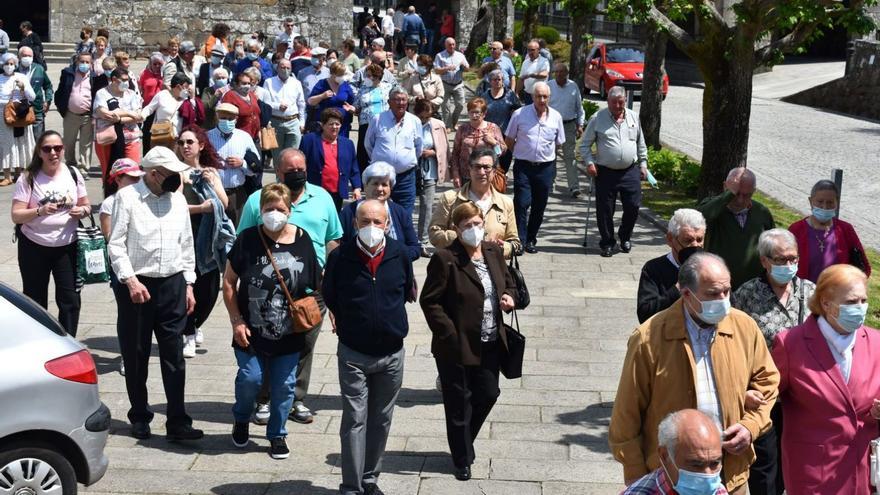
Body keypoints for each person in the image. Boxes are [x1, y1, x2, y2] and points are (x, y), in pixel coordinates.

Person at [609, 252, 780, 495]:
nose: (722, 300)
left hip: (730, 474)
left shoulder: (744, 327)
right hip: (673, 477)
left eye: (726, 291)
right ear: (686, 294)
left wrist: (750, 426)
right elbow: (625, 419)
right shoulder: (649, 339)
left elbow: (768, 381)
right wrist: (640, 478)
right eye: (712, 294)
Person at [237, 149, 343, 425]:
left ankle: (295, 398)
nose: (297, 173)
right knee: (265, 345)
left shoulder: (322, 199)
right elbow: (242, 243)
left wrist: (334, 284)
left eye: (301, 168)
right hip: (265, 292)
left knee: (304, 344)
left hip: (310, 291)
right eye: (290, 170)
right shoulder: (255, 201)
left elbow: (333, 241)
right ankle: (263, 399)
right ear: (279, 173)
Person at [107, 146, 203, 442]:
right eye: (171, 174)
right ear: (152, 173)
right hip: (138, 286)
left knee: (174, 354)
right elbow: (116, 244)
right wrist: (130, 281)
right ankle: (139, 415)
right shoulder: (127, 198)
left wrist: (188, 284)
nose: (176, 179)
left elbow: (187, 243)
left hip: (172, 283)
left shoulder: (177, 200)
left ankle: (177, 420)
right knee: (136, 354)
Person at [324, 198, 416, 495]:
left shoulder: (399, 253)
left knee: (382, 418)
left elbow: (404, 291)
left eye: (378, 222)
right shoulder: (341, 257)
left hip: (391, 353)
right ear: (355, 224)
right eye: (365, 221)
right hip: (354, 354)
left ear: (387, 224)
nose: (372, 227)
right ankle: (351, 486)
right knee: (355, 419)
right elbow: (331, 295)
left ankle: (370, 479)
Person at [421, 201, 517, 481]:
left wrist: (509, 296)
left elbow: (508, 281)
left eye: (477, 224)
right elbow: (430, 302)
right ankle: (462, 458)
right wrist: (449, 333)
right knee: (458, 403)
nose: (474, 230)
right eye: (467, 226)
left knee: (488, 393)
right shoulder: (445, 258)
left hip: (490, 339)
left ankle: (462, 442)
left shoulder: (493, 251)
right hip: (456, 344)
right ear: (456, 229)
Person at [223, 182, 320, 458]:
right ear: (260, 210)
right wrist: (236, 321)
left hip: (288, 333)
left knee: (284, 385)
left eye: (280, 208)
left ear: (290, 211)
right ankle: (242, 417)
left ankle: (277, 434)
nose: (274, 213)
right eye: (268, 208)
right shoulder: (247, 239)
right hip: (250, 330)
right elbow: (229, 283)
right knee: (250, 379)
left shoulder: (303, 240)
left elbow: (314, 283)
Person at [772, 263, 880, 494]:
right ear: (826, 303)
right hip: (815, 474)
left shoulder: (876, 341)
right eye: (851, 302)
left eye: (863, 300)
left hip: (863, 471)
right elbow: (765, 398)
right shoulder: (791, 344)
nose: (860, 308)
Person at [731, 228, 814, 495]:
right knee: (765, 469)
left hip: (803, 397)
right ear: (764, 261)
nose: (788, 265)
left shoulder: (810, 292)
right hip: (764, 398)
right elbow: (733, 346)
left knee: (797, 464)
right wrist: (742, 391)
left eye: (793, 258)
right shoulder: (746, 295)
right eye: (780, 260)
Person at [11, 130, 89, 335]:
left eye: (58, 148)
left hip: (67, 246)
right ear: (39, 152)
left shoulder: (73, 173)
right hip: (34, 246)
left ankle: (68, 342)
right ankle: (39, 340)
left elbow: (86, 205)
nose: (53, 152)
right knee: (35, 301)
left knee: (70, 300)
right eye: (47, 149)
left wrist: (82, 211)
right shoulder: (28, 178)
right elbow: (16, 215)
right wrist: (40, 211)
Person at [175, 126, 232, 358]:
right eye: (181, 142)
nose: (185, 146)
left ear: (201, 145)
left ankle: (195, 324)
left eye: (190, 142)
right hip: (185, 235)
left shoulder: (210, 171)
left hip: (208, 238)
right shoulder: (176, 172)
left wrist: (213, 183)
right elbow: (175, 206)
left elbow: (224, 203)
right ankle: (187, 334)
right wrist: (200, 208)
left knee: (209, 292)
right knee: (188, 288)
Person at [579, 86, 649, 257]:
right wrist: (589, 162)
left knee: (633, 205)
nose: (618, 106)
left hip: (629, 170)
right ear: (608, 101)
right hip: (605, 171)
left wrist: (644, 163)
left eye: (621, 102)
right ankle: (607, 242)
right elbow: (584, 144)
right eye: (614, 102)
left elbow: (641, 143)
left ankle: (625, 236)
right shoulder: (598, 118)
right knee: (605, 210)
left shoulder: (633, 116)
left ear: (625, 100)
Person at [504, 82, 564, 254]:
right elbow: (509, 140)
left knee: (539, 205)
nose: (542, 100)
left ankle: (531, 239)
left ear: (549, 97)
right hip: (523, 166)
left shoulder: (556, 117)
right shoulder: (519, 114)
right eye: (538, 96)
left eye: (545, 96)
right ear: (532, 96)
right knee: (521, 203)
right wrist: (522, 152)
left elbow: (558, 143)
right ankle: (520, 240)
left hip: (545, 168)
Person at [430, 146, 520, 259]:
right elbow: (434, 234)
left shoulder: (506, 203)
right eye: (477, 167)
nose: (481, 172)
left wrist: (503, 248)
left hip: (493, 268)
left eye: (486, 167)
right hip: (458, 266)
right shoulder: (450, 198)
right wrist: (459, 237)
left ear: (494, 171)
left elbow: (515, 243)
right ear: (469, 169)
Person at [697, 167, 775, 290]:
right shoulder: (713, 207)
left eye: (746, 195)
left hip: (755, 289)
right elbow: (699, 218)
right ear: (725, 187)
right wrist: (728, 195)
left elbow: (772, 247)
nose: (740, 200)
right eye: (736, 193)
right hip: (718, 287)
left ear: (753, 192)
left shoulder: (761, 212)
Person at [622, 409, 729, 495]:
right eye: (696, 465)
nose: (708, 476)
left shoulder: (718, 491)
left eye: (714, 463)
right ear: (664, 456)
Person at [789, 179, 871, 282]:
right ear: (811, 201)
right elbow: (785, 264)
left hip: (837, 295)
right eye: (820, 202)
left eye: (830, 203)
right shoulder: (796, 230)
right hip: (803, 295)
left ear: (837, 203)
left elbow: (863, 267)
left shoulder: (845, 229)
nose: (825, 207)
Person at [339, 162, 420, 262]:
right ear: (365, 185)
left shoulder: (399, 212)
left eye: (384, 184)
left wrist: (397, 259)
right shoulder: (349, 212)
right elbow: (339, 246)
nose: (380, 189)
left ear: (390, 188)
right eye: (375, 183)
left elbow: (414, 247)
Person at [637, 208, 706, 323]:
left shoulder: (714, 267)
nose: (695, 246)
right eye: (688, 240)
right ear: (670, 239)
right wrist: (678, 289)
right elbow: (645, 314)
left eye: (699, 240)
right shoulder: (653, 268)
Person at [364, 87, 422, 218]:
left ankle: (401, 238)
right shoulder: (378, 119)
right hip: (380, 176)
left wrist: (406, 161)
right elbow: (368, 144)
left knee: (405, 214)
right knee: (376, 211)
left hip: (406, 177)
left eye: (403, 100)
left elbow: (418, 147)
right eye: (396, 100)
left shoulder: (414, 121)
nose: (400, 103)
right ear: (389, 102)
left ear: (407, 102)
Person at [208, 102, 260, 225]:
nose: (227, 122)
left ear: (236, 119)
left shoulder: (244, 137)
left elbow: (256, 167)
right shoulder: (207, 137)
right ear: (217, 117)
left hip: (237, 195)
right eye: (223, 118)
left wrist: (242, 164)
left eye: (230, 119)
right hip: (213, 193)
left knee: (238, 229)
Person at [300, 108, 362, 210]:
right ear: (323, 125)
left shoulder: (348, 144)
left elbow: (353, 168)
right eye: (331, 124)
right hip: (315, 190)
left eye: (337, 124)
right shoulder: (309, 140)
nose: (334, 127)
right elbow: (300, 164)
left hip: (337, 192)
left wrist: (357, 188)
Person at [93, 68, 143, 182]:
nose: (127, 83)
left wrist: (119, 119)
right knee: (109, 174)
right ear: (114, 79)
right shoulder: (102, 93)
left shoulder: (131, 94)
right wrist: (129, 113)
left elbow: (139, 117)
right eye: (124, 80)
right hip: (108, 139)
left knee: (132, 173)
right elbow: (104, 113)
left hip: (130, 138)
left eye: (128, 80)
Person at [414, 99, 449, 257]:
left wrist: (433, 153)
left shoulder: (437, 125)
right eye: (422, 117)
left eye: (427, 116)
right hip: (410, 170)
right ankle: (408, 240)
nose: (425, 120)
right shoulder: (410, 122)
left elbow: (444, 148)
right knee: (406, 206)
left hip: (429, 171)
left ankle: (423, 241)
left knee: (427, 207)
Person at [548, 63, 585, 198]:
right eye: (556, 72)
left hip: (569, 125)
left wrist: (580, 124)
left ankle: (574, 187)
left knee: (570, 157)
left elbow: (579, 108)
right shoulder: (549, 86)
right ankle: (550, 184)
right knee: (551, 156)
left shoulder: (573, 86)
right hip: (551, 126)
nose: (558, 74)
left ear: (566, 73)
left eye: (561, 72)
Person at [450, 98, 506, 188]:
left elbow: (503, 152)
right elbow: (455, 154)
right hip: (466, 176)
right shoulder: (462, 129)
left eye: (477, 112)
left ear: (484, 114)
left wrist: (494, 142)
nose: (474, 115)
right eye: (471, 112)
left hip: (487, 175)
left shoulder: (493, 128)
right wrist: (455, 174)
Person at [55, 52, 95, 179]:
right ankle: (71, 166)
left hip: (87, 116)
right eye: (82, 61)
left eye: (87, 62)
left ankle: (83, 169)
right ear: (77, 62)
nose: (84, 64)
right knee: (69, 142)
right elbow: (60, 92)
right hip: (71, 114)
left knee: (86, 144)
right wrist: (61, 108)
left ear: (91, 64)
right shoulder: (68, 73)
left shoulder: (94, 77)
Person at [0, 53, 36, 186]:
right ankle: (7, 175)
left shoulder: (21, 77)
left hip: (19, 114)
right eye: (6, 64)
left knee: (20, 143)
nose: (9, 66)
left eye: (11, 64)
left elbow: (32, 97)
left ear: (15, 65)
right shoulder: (0, 78)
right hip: (2, 114)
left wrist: (23, 87)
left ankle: (19, 174)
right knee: (5, 144)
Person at [263, 58, 305, 164]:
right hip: (276, 122)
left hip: (293, 121)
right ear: (277, 68)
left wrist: (302, 122)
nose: (285, 70)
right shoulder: (269, 82)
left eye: (288, 68)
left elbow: (301, 104)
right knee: (278, 158)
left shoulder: (296, 83)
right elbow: (265, 103)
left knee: (292, 155)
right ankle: (279, 180)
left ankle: (290, 180)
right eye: (282, 67)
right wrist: (277, 106)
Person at [353, 64, 394, 169]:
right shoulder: (362, 88)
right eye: (366, 75)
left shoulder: (388, 87)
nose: (366, 77)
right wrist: (352, 109)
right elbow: (356, 106)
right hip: (366, 125)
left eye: (369, 75)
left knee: (381, 149)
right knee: (363, 152)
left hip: (383, 124)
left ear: (376, 77)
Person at [479, 69, 520, 174]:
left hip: (505, 134)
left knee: (504, 162)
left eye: (499, 79)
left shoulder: (509, 95)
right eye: (494, 79)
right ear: (490, 81)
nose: (497, 81)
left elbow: (518, 112)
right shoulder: (484, 96)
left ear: (503, 81)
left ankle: (500, 182)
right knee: (489, 162)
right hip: (489, 134)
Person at [141, 72, 192, 147]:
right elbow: (149, 108)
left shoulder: (185, 100)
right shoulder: (162, 95)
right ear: (178, 86)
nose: (187, 90)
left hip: (177, 139)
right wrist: (141, 116)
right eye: (186, 87)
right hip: (160, 136)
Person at [306, 62, 356, 137]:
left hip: (342, 126)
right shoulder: (322, 84)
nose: (342, 77)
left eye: (343, 74)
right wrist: (322, 96)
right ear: (332, 73)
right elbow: (310, 101)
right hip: (325, 125)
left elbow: (352, 102)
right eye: (340, 74)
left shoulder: (345, 84)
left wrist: (352, 109)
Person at [16, 46, 51, 139]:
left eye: (29, 56)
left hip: (37, 111)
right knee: (21, 143)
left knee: (38, 142)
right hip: (18, 112)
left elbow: (48, 86)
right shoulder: (14, 70)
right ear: (18, 57)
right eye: (24, 55)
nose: (27, 58)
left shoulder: (39, 69)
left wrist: (48, 100)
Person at [433, 38, 469, 128]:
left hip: (458, 84)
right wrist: (446, 68)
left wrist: (464, 66)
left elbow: (468, 68)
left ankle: (454, 121)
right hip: (445, 84)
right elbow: (436, 70)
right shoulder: (440, 56)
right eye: (450, 45)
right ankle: (448, 126)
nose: (452, 46)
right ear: (445, 45)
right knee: (445, 106)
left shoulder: (460, 55)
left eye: (453, 44)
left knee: (460, 105)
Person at [221, 72, 262, 141]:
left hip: (254, 137)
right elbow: (226, 117)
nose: (247, 86)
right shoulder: (229, 96)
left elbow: (257, 114)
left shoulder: (252, 95)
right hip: (238, 138)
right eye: (244, 83)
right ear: (236, 84)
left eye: (249, 83)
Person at [518, 40, 549, 105]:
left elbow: (544, 74)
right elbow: (521, 78)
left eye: (532, 50)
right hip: (527, 95)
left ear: (538, 50)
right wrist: (517, 92)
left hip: (540, 95)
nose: (530, 52)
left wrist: (531, 75)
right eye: (528, 50)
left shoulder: (544, 61)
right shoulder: (525, 62)